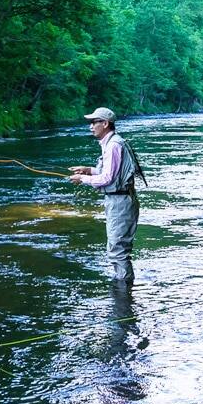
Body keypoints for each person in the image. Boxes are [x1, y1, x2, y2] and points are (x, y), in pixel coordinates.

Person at [68, 107, 144, 282]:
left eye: (94, 122)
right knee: (117, 249)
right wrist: (89, 170)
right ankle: (123, 292)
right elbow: (111, 173)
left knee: (118, 251)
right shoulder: (111, 143)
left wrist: (82, 179)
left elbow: (108, 178)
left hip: (120, 202)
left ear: (105, 123)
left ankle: (124, 295)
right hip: (119, 200)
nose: (91, 126)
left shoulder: (113, 146)